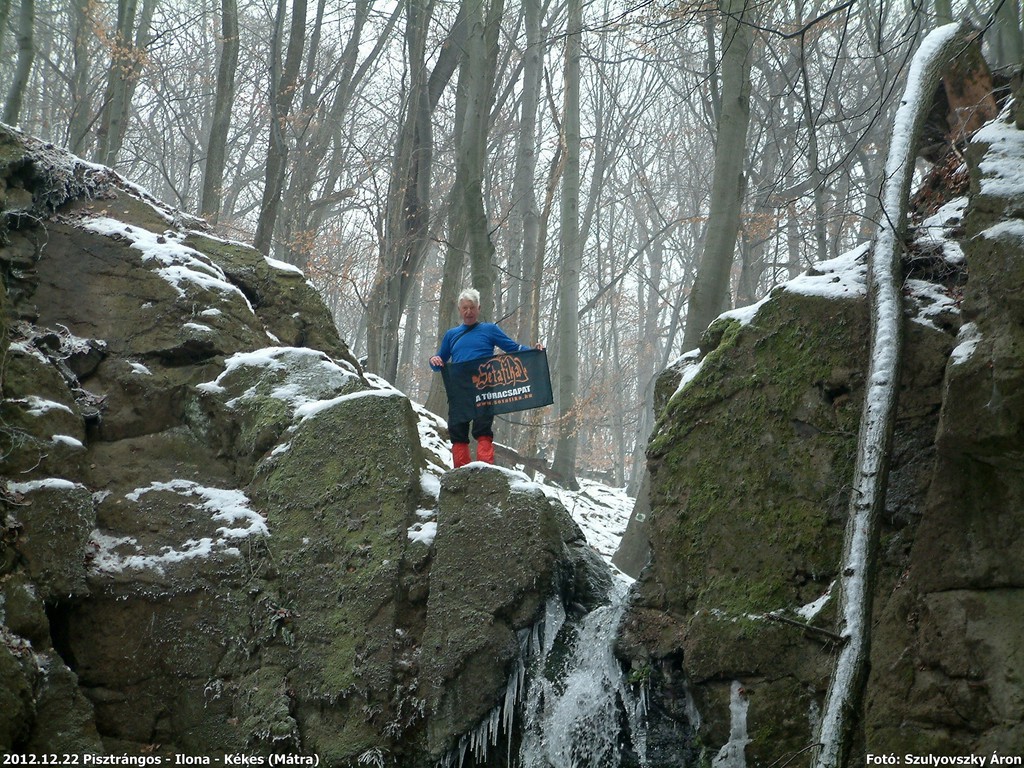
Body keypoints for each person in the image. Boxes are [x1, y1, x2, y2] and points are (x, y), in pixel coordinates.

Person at [429, 288, 543, 468]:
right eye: (465, 308)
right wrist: (433, 360)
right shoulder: (451, 334)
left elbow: (513, 348)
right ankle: (461, 472)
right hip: (460, 388)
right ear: (459, 310)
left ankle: (485, 469)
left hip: (484, 385)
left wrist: (534, 352)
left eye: (472, 307)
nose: (468, 312)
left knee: (483, 428)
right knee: (457, 429)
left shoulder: (489, 330)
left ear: (479, 308)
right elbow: (439, 362)